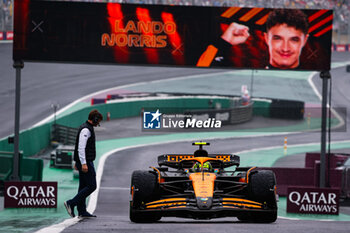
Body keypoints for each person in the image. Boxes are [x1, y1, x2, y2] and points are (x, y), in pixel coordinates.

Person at [197, 9, 309, 70]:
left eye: (294, 40)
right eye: (277, 38)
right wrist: (224, 42)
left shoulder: (315, 81)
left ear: (304, 41)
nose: (285, 48)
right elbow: (198, 74)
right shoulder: (252, 78)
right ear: (266, 38)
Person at [64, 109, 103, 218]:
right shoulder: (86, 130)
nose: (98, 124)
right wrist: (83, 163)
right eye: (98, 121)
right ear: (94, 119)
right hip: (86, 162)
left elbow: (78, 148)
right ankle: (71, 203)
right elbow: (81, 148)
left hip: (83, 161)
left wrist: (78, 162)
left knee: (83, 186)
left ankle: (82, 210)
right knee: (92, 186)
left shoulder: (86, 128)